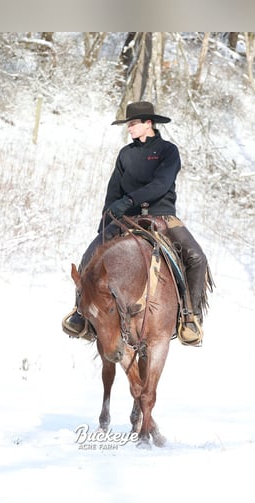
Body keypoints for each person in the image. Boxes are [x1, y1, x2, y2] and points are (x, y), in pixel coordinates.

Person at [62, 101, 210, 346]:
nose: (129, 128)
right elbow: (113, 192)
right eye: (128, 124)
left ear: (148, 124)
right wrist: (105, 225)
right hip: (125, 219)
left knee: (196, 257)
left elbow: (161, 184)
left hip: (162, 217)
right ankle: (82, 314)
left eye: (133, 124)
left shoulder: (168, 151)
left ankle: (190, 318)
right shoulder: (125, 154)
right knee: (89, 256)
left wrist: (130, 199)